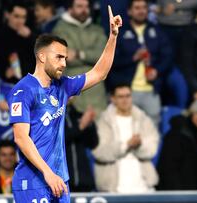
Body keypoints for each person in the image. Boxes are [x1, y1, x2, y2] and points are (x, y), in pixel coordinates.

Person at [8, 6, 122, 202]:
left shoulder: (63, 86)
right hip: (33, 181)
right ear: (42, 57)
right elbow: (21, 138)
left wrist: (112, 36)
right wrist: (47, 173)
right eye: (59, 57)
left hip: (60, 180)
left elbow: (99, 73)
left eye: (66, 58)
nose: (64, 63)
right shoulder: (23, 91)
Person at [109, 0, 173, 123]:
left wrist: (157, 70)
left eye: (144, 7)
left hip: (151, 90)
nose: (141, 11)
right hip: (128, 91)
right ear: (129, 11)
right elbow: (112, 60)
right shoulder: (119, 32)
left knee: (153, 133)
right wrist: (133, 58)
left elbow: (168, 56)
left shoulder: (157, 30)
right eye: (137, 8)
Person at [92, 84, 159, 192]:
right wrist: (126, 146)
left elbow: (152, 149)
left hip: (144, 187)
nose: (125, 100)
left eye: (128, 96)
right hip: (114, 188)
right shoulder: (104, 121)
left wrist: (139, 145)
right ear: (113, 99)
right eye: (121, 97)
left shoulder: (143, 119)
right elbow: (99, 152)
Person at [51, 0, 108, 114]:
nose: (84, 10)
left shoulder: (97, 30)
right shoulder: (59, 30)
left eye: (86, 6)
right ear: (70, 8)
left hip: (97, 94)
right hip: (73, 95)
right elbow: (64, 59)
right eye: (79, 6)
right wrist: (90, 57)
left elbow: (103, 57)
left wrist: (78, 54)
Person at [157, 99, 197, 190]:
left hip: (196, 193)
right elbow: (168, 170)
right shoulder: (177, 135)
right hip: (179, 194)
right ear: (196, 116)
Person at [0, 1, 36, 83]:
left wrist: (30, 37)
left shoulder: (30, 33)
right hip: (7, 83)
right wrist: (4, 73)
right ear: (7, 15)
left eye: (23, 17)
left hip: (30, 83)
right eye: (16, 16)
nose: (20, 21)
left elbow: (40, 56)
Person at [65, 100, 98, 192]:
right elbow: (61, 139)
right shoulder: (51, 117)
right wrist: (81, 126)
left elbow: (93, 143)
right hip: (62, 181)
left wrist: (90, 124)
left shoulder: (79, 116)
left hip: (84, 181)